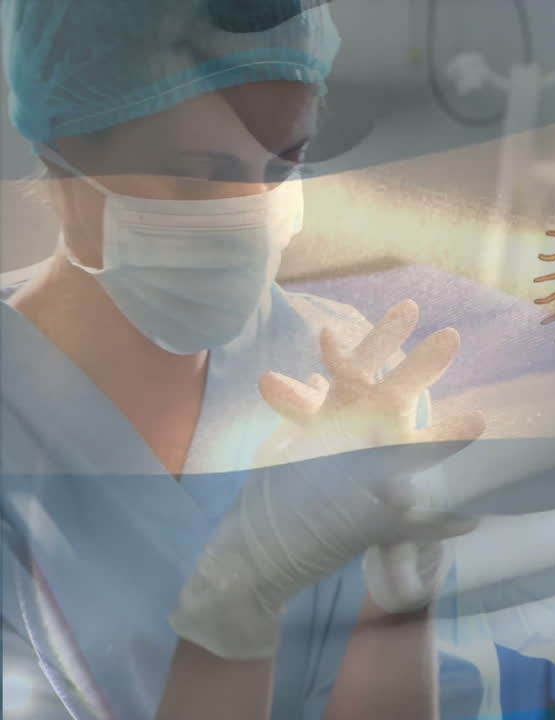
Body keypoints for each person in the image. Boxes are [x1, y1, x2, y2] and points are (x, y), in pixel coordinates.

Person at [1, 2, 482, 718]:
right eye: (200, 176)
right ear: (65, 160)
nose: (253, 214)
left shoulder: (343, 369)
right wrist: (235, 609)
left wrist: (394, 599)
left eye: (285, 163)